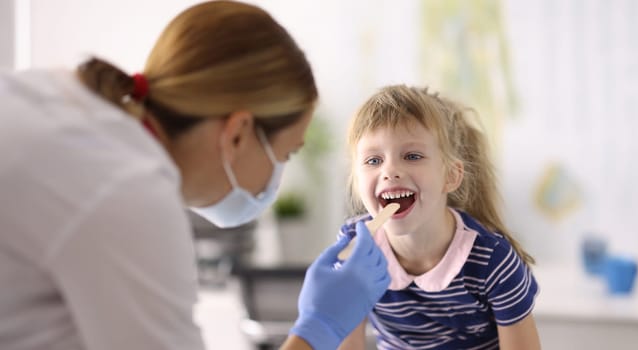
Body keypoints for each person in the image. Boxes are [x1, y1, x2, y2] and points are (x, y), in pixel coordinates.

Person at [0, 1, 390, 350]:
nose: (277, 177)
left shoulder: (60, 97)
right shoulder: (126, 195)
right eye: (285, 154)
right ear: (237, 133)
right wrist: (318, 328)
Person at [337, 85, 541, 349]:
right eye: (373, 160)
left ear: (451, 175)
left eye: (412, 156)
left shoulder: (494, 261)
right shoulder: (354, 246)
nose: (390, 171)